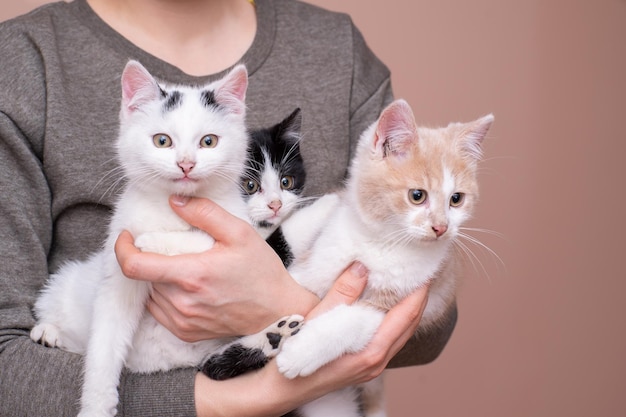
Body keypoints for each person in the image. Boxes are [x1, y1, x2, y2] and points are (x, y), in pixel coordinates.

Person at [0, 0, 457, 415]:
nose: (184, 162)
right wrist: (243, 400)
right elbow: (8, 364)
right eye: (164, 142)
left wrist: (276, 305)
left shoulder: (339, 49)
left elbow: (428, 327)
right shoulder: (27, 58)